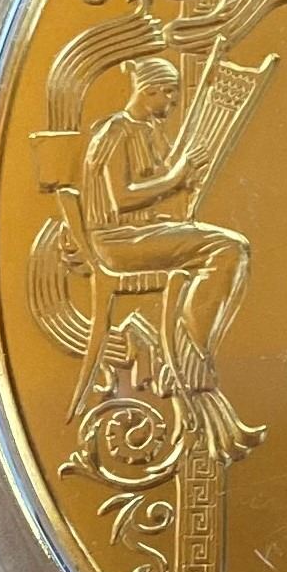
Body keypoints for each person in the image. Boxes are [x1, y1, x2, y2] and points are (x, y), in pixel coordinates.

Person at [79, 56, 262, 458]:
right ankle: (186, 359)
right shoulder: (115, 131)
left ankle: (187, 355)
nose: (173, 104)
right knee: (226, 248)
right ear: (150, 91)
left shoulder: (150, 132)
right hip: (119, 241)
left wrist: (182, 187)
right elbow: (121, 198)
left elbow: (160, 194)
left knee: (232, 252)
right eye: (170, 95)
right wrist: (176, 178)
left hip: (144, 232)